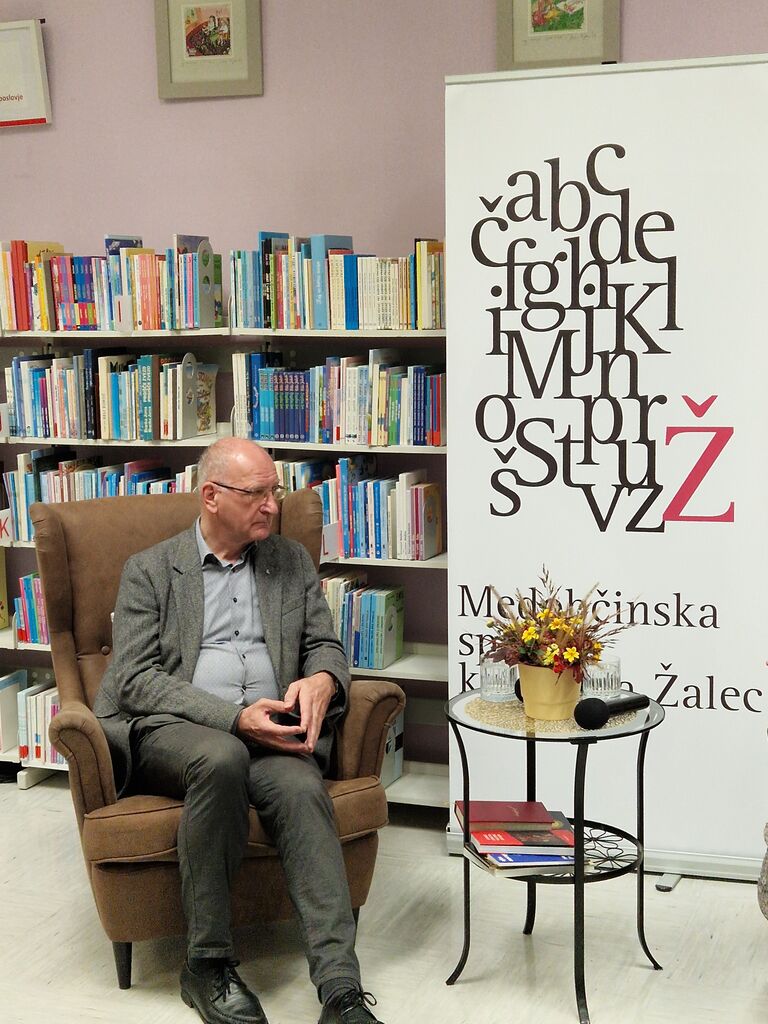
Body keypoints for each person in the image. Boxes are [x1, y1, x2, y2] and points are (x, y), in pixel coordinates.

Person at [93, 437, 385, 1024]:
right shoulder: (151, 570)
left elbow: (325, 644)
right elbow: (134, 680)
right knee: (222, 756)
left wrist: (323, 678)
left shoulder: (289, 561)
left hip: (272, 731)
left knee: (301, 789)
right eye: (257, 494)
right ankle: (206, 965)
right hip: (179, 731)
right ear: (211, 497)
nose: (272, 506)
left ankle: (341, 991)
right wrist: (231, 718)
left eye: (274, 492)